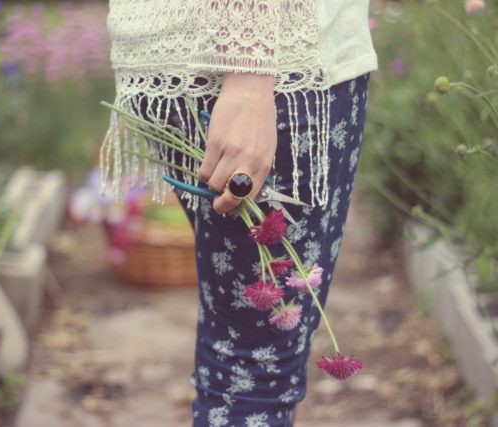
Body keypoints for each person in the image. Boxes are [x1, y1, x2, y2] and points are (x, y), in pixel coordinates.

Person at [100, 1, 377, 426]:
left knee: (243, 367)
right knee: (253, 378)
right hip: (271, 70)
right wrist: (249, 74)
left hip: (173, 60)